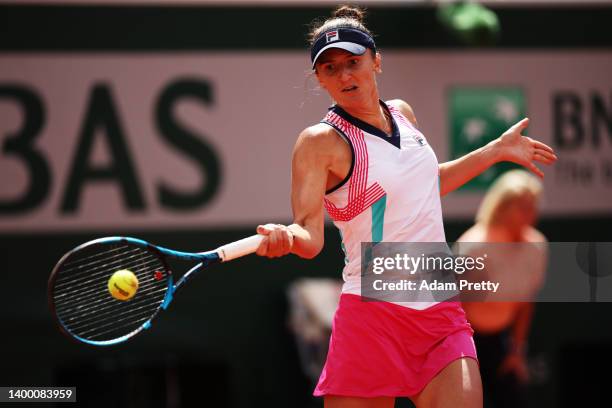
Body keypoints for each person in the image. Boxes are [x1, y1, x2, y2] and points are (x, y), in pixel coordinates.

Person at [254, 5, 557, 408]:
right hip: (371, 314)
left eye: (353, 62)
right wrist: (285, 236)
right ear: (319, 79)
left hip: (439, 312)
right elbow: (309, 236)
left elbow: (426, 187)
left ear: (376, 61)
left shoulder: (403, 114)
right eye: (330, 68)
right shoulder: (318, 142)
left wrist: (494, 151)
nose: (344, 75)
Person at [457, 170, 548, 408]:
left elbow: (526, 303)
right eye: (522, 207)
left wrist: (516, 351)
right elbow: (455, 305)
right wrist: (461, 353)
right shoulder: (473, 246)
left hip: (502, 343)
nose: (529, 214)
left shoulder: (537, 247)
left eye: (533, 207)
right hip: (465, 342)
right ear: (503, 207)